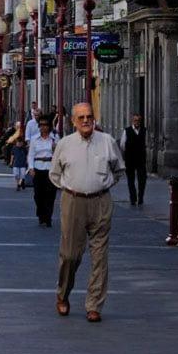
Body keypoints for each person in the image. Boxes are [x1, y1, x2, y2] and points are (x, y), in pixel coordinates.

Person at [50, 103, 124, 323]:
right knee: (70, 255)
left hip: (101, 201)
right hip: (73, 201)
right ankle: (63, 294)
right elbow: (55, 174)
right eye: (81, 117)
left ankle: (94, 305)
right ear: (73, 121)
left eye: (89, 116)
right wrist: (70, 187)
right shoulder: (64, 144)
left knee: (100, 256)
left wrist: (105, 184)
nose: (85, 121)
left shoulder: (107, 142)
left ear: (94, 118)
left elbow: (118, 169)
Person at [27, 116, 58, 226]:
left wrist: (55, 148)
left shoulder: (54, 139)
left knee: (50, 194)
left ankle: (48, 217)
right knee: (38, 194)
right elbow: (30, 154)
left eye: (46, 125)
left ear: (49, 126)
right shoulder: (35, 139)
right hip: (38, 168)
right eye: (41, 125)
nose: (43, 127)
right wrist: (31, 168)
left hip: (50, 168)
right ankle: (40, 213)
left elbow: (59, 155)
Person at [119, 113, 147, 206]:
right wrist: (126, 155)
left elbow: (146, 143)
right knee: (131, 180)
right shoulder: (127, 131)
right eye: (135, 120)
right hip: (130, 159)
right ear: (132, 121)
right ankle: (133, 198)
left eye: (138, 120)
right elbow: (122, 145)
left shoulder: (144, 130)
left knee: (142, 179)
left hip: (141, 159)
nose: (137, 122)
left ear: (140, 121)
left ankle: (141, 198)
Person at [7, 122, 27, 190]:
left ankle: (19, 184)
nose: (19, 144)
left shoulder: (24, 149)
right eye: (18, 143)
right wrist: (11, 162)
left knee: (22, 175)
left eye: (20, 143)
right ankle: (19, 183)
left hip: (23, 164)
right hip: (16, 163)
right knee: (16, 175)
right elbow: (12, 155)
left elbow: (26, 155)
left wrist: (27, 161)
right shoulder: (14, 148)